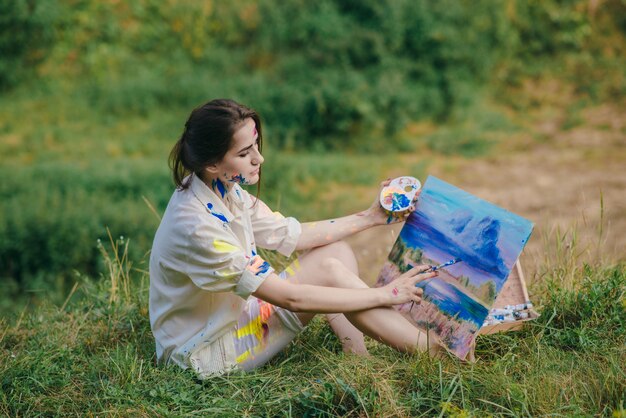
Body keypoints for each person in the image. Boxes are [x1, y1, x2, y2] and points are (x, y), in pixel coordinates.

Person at [149, 98, 440, 378]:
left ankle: (358, 358)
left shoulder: (217, 186)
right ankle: (432, 353)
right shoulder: (196, 226)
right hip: (207, 353)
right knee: (330, 271)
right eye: (244, 153)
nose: (258, 158)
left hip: (230, 320)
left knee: (334, 252)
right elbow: (291, 299)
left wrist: (372, 217)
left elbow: (290, 234)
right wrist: (387, 293)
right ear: (212, 163)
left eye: (256, 146)